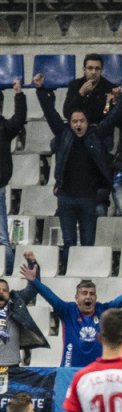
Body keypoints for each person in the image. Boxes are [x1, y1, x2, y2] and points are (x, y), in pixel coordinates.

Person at [34, 74, 122, 253]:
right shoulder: (63, 134)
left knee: (88, 242)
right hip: (66, 198)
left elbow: (113, 118)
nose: (78, 124)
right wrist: (40, 90)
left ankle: (86, 277)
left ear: (87, 123)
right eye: (75, 121)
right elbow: (50, 113)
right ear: (70, 123)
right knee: (69, 241)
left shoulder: (96, 135)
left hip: (88, 198)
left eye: (82, 121)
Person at [19, 252, 122, 367]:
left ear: (96, 297)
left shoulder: (104, 310)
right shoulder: (67, 310)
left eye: (92, 294)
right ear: (76, 297)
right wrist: (34, 282)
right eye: (84, 293)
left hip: (96, 372)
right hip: (69, 371)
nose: (88, 297)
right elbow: (49, 295)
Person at [0, 78, 26, 275]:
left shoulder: (4, 127)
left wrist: (19, 95)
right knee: (1, 236)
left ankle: (5, 275)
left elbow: (19, 118)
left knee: (1, 237)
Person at [0, 277, 51, 366]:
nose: (1, 292)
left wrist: (32, 264)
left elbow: (31, 290)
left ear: (9, 294)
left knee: (5, 380)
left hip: (10, 363)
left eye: (5, 290)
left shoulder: (15, 303)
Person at [64, 54, 119, 126]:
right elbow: (66, 112)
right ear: (84, 69)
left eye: (97, 68)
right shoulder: (74, 85)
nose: (93, 72)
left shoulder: (110, 87)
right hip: (78, 127)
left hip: (100, 129)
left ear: (101, 70)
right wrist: (81, 93)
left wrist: (111, 103)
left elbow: (107, 114)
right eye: (90, 68)